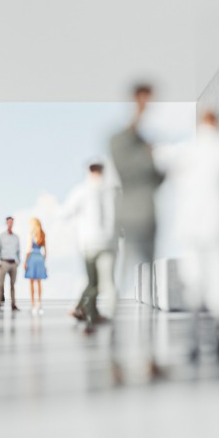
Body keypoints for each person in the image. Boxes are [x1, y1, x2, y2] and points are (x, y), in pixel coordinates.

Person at [173, 111, 219, 360]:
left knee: (194, 283)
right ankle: (218, 340)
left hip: (189, 226)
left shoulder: (186, 150)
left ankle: (192, 342)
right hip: (215, 224)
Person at [109, 83, 165, 380]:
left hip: (149, 215)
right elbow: (133, 172)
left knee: (150, 285)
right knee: (123, 283)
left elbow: (156, 178)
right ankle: (116, 357)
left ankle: (150, 357)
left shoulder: (143, 142)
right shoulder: (119, 139)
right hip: (132, 217)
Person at [63, 162, 116, 333]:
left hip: (93, 242)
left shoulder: (84, 191)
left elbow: (67, 211)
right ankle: (83, 309)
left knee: (95, 280)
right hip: (94, 242)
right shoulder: (93, 191)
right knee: (96, 280)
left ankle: (85, 310)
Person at [0, 216, 21, 312]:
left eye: (12, 222)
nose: (10, 224)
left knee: (13, 285)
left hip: (13, 263)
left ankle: (13, 305)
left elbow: (18, 251)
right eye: (9, 222)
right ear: (6, 223)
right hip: (3, 263)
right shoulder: (1, 236)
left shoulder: (16, 237)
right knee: (1, 285)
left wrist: (18, 261)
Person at [24, 218, 48, 315]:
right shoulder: (42, 234)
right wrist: (44, 262)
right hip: (40, 258)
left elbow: (29, 249)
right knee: (39, 282)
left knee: (31, 283)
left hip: (32, 258)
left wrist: (25, 261)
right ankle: (40, 302)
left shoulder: (31, 234)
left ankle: (33, 304)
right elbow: (45, 252)